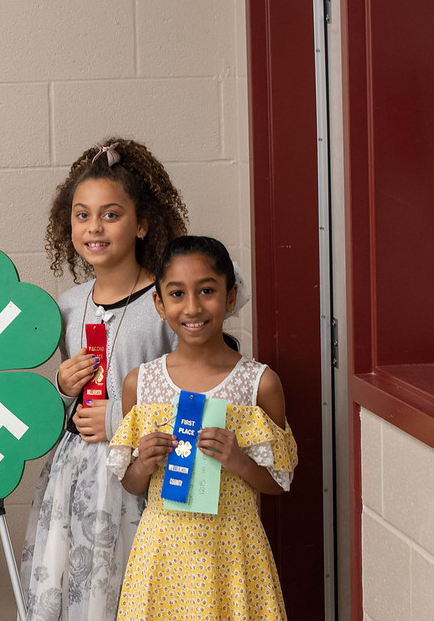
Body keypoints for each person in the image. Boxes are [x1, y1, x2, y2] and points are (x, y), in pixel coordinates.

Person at [21, 138, 188, 620]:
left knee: (133, 592)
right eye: (81, 214)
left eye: (111, 215)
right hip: (74, 473)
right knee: (76, 591)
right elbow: (59, 408)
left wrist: (118, 416)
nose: (94, 227)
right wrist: (62, 386)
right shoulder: (68, 306)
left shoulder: (169, 303)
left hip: (143, 470)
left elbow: (196, 391)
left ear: (143, 224)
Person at [108, 235, 297, 620]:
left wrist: (240, 462)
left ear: (231, 297)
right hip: (161, 553)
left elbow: (279, 482)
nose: (192, 307)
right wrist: (143, 463)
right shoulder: (139, 384)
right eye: (176, 294)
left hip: (234, 551)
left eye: (207, 290)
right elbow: (130, 483)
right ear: (159, 303)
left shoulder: (259, 384)